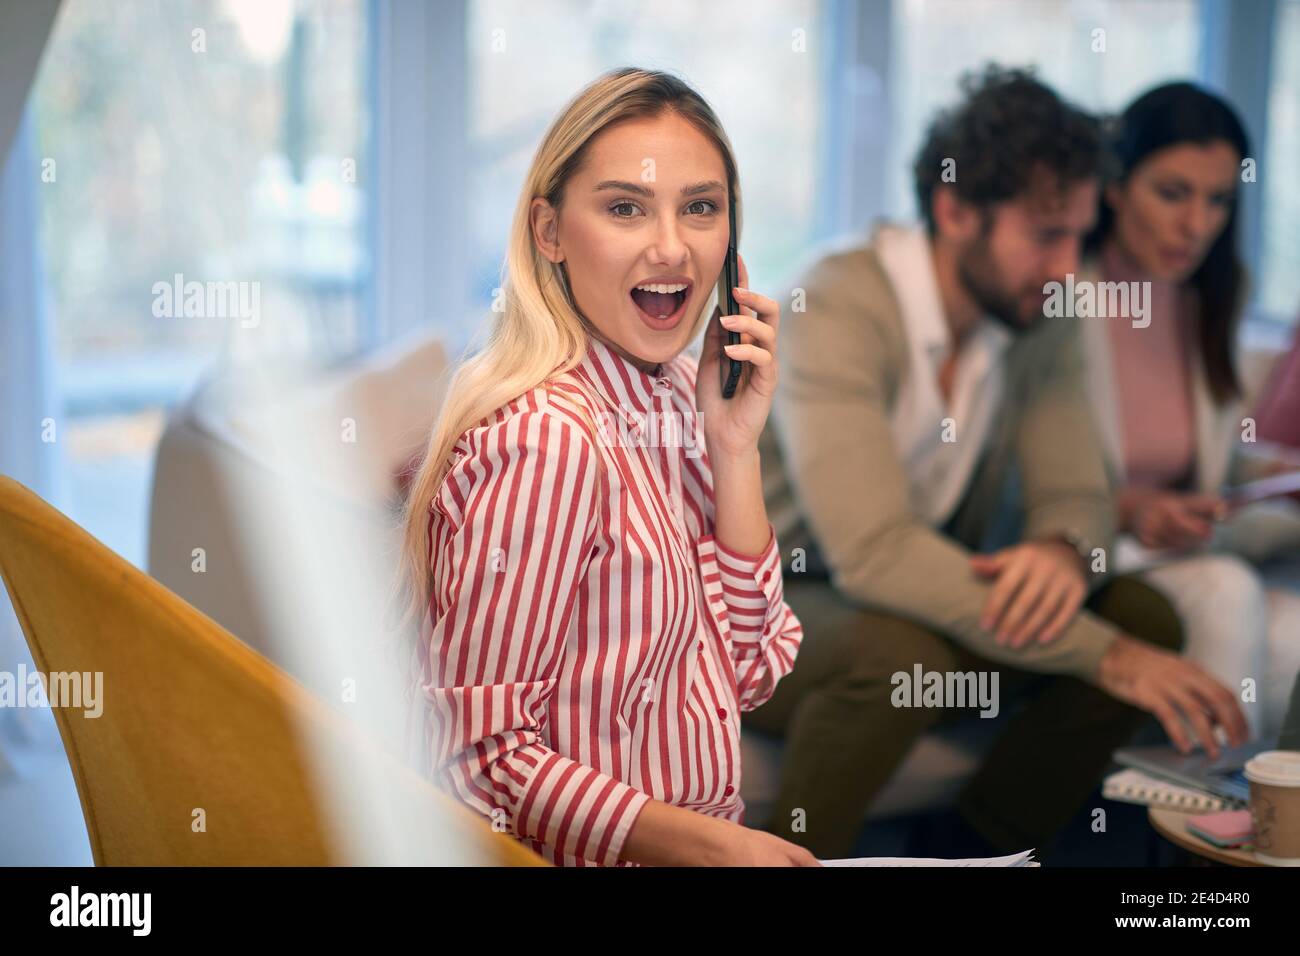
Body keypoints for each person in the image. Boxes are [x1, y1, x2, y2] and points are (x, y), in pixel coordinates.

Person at [746, 65, 1248, 860]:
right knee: (901, 654)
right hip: (775, 603)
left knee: (1144, 615)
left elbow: (1081, 493)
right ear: (954, 211)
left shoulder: (1038, 315)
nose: (1064, 266)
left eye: (1078, 237)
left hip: (911, 597)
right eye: (1046, 235)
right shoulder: (839, 302)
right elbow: (873, 554)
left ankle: (974, 849)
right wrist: (1108, 659)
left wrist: (1058, 550)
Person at [400, 68, 811, 867]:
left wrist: (733, 450)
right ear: (549, 233)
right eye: (625, 208)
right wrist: (714, 848)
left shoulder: (667, 408)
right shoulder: (550, 441)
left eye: (701, 208)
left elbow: (751, 672)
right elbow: (479, 759)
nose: (672, 246)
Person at [1079, 82, 1300, 741]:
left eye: (1219, 200)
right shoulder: (1060, 295)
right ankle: (1210, 832)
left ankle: (1257, 829)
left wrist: (1282, 469)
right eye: (1174, 193)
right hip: (1090, 544)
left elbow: (1203, 451)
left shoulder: (1214, 296)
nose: (1198, 224)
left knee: (1292, 645)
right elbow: (1008, 473)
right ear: (1116, 187)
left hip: (1184, 543)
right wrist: (1134, 508)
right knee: (1226, 591)